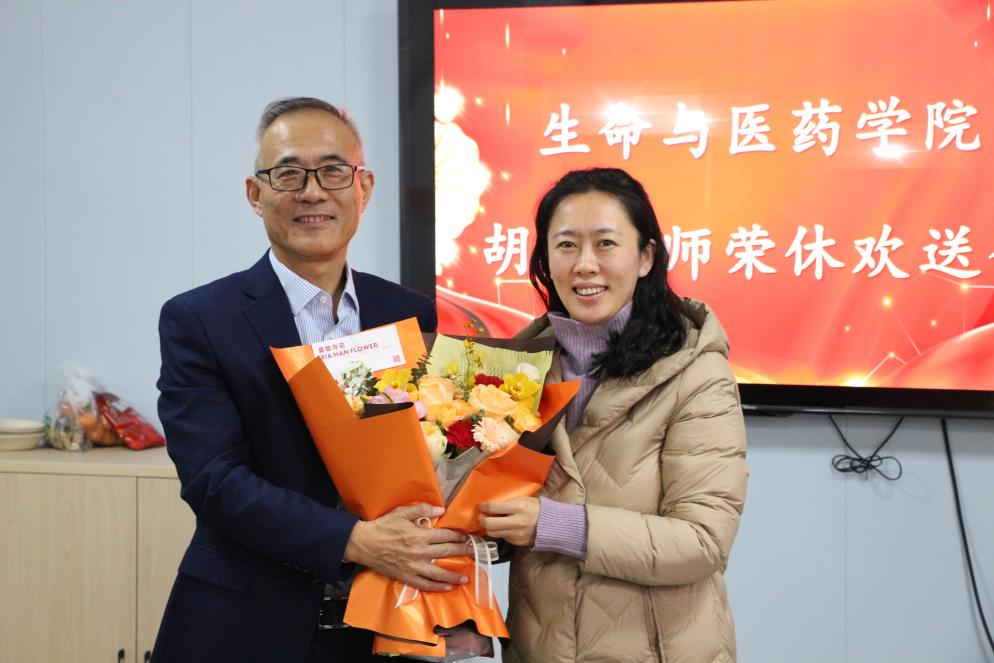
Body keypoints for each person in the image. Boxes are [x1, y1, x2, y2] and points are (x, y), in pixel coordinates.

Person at [152, 97, 470, 663]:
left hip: (384, 624)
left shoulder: (409, 312)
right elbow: (214, 481)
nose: (313, 192)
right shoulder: (199, 319)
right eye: (289, 174)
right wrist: (357, 541)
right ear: (255, 194)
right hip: (247, 624)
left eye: (332, 171)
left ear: (364, 187)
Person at [479, 168, 748, 662]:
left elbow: (703, 542)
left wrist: (551, 524)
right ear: (545, 260)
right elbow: (499, 513)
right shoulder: (513, 369)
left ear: (646, 257)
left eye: (606, 243)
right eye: (566, 245)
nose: (585, 265)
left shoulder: (696, 371)